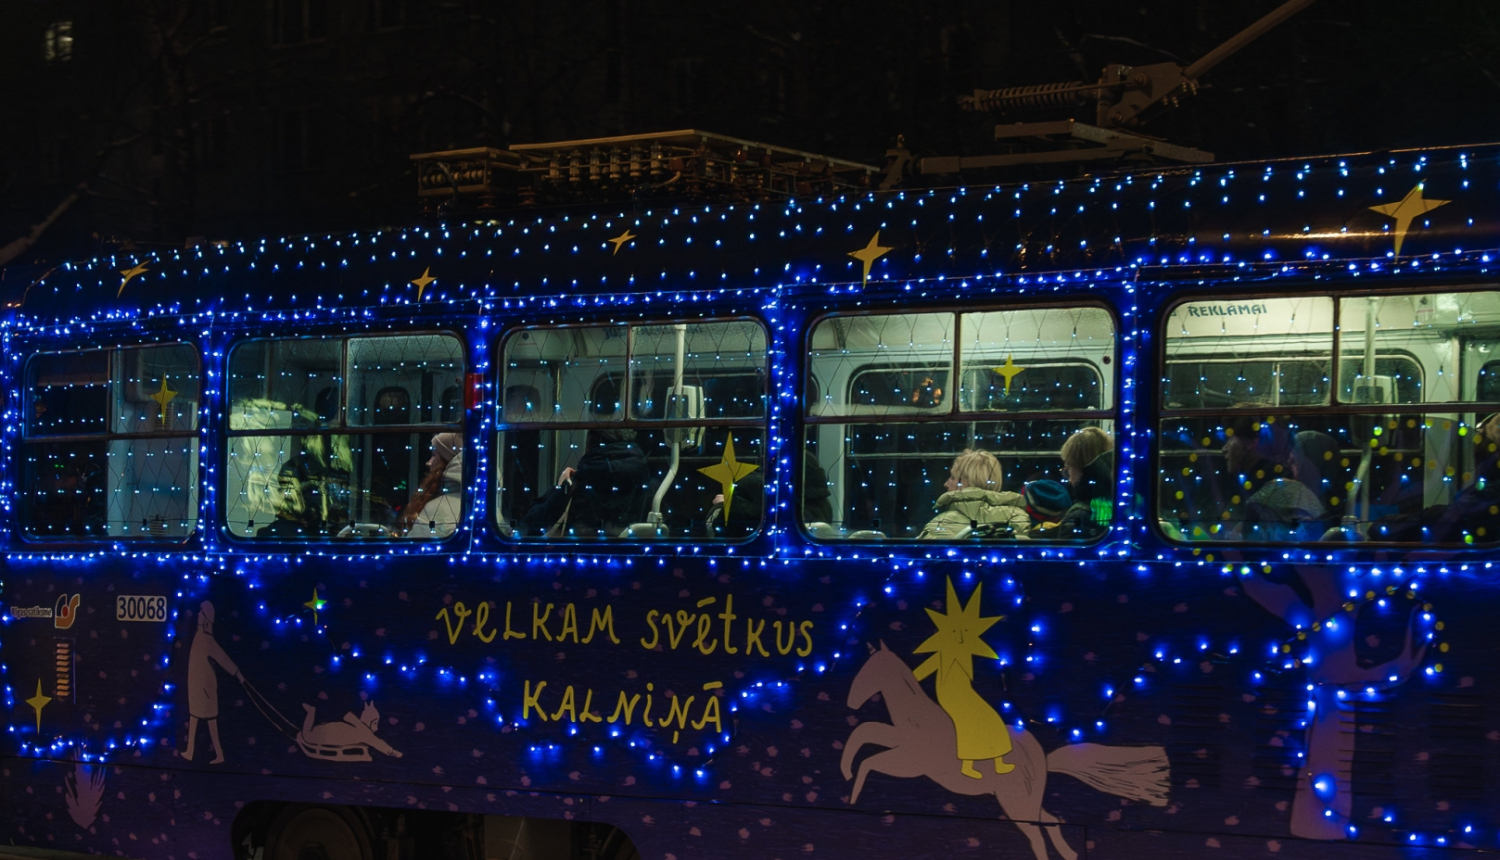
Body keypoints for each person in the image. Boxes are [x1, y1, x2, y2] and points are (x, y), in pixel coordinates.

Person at [521, 428, 649, 537]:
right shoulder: (647, 484)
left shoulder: (579, 484)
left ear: (592, 442)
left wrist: (562, 488)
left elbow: (529, 526)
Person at [917, 449, 1028, 539]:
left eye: (952, 477)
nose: (946, 483)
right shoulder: (1018, 517)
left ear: (967, 481)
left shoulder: (941, 525)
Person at [184, 601, 242, 765]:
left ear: (207, 617)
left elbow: (223, 659)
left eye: (201, 613)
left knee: (211, 720)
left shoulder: (207, 640)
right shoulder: (198, 637)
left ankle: (219, 753)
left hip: (206, 688)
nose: (198, 615)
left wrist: (237, 673)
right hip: (196, 686)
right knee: (195, 717)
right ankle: (191, 750)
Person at [400, 432, 463, 538]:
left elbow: (414, 551)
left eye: (434, 456)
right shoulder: (482, 506)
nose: (428, 463)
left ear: (449, 462)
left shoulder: (437, 508)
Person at [1056, 427, 1115, 538]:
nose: (1069, 479)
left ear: (1081, 467)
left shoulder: (1080, 515)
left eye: (1068, 469)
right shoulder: (1119, 501)